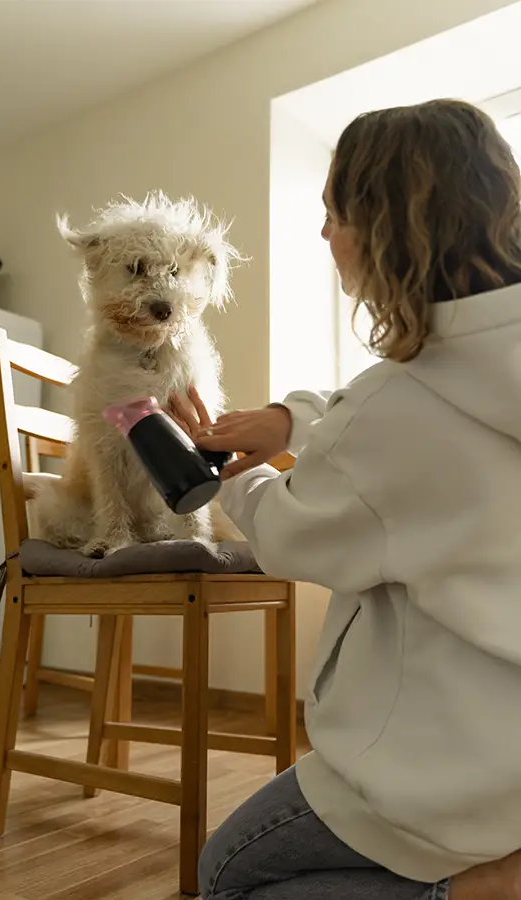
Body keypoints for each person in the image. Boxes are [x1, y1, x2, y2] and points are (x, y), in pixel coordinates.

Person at [167, 99, 521, 900]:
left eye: (334, 212)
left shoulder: (396, 408)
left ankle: (483, 887)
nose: (325, 233)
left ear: (387, 223)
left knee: (225, 873)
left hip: (457, 773)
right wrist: (295, 417)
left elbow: (291, 534)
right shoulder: (476, 359)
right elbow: (419, 411)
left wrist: (237, 476)